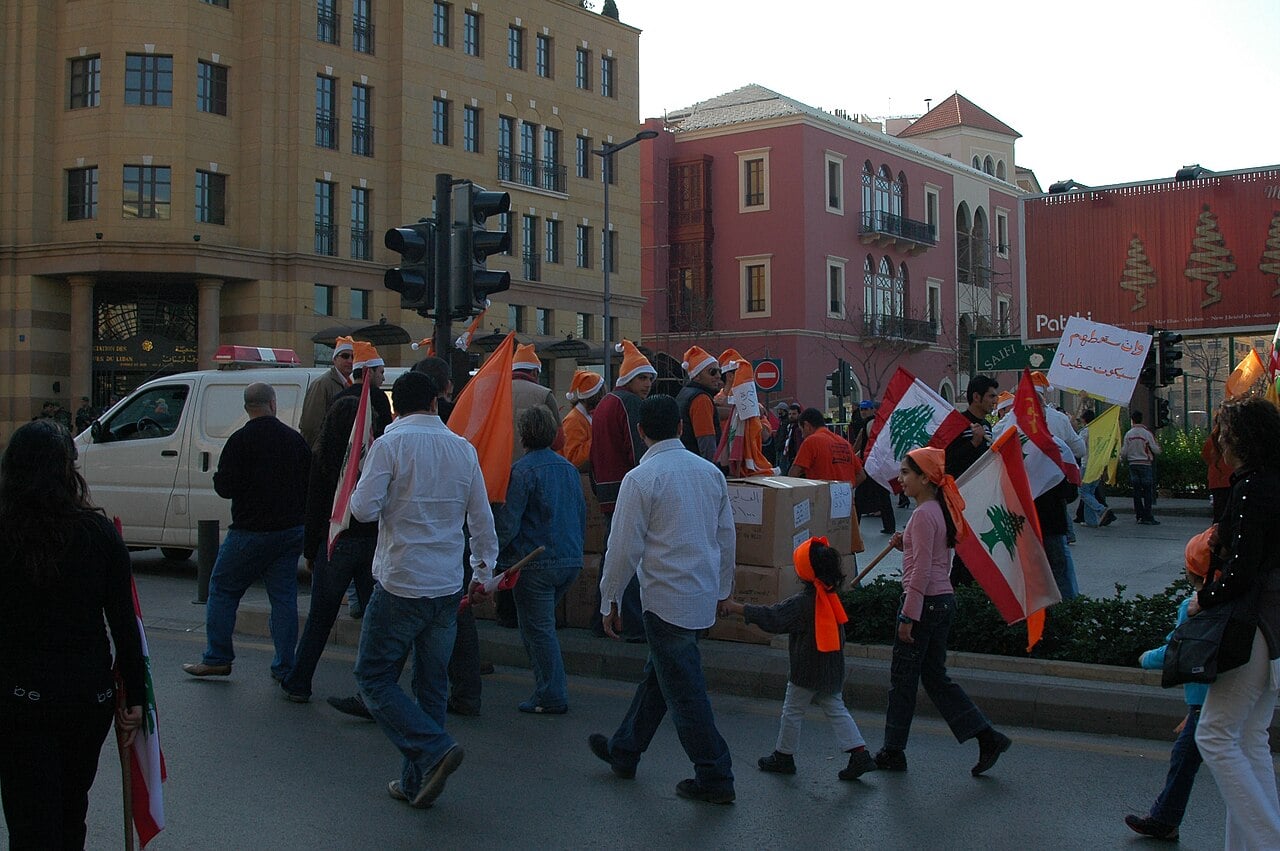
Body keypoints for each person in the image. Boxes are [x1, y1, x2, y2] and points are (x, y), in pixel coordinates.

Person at [349, 371, 499, 808]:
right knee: (431, 684)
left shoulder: (389, 445)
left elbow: (362, 509)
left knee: (374, 676)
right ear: (435, 403)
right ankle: (418, 781)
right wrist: (483, 570)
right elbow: (480, 519)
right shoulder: (462, 448)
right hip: (446, 585)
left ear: (397, 408)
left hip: (401, 581)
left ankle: (433, 750)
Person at [0, 420, 146, 849]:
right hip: (88, 697)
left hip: (20, 696)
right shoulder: (98, 534)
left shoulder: (6, 532)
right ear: (69, 471)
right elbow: (124, 623)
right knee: (70, 811)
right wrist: (135, 694)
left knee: (29, 821)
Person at [588, 394, 737, 804]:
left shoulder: (641, 478)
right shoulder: (710, 474)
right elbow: (726, 536)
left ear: (640, 432)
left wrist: (609, 600)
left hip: (665, 600)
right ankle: (625, 749)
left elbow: (622, 548)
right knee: (663, 677)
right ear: (680, 427)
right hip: (701, 595)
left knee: (684, 692)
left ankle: (715, 774)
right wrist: (723, 589)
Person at [875, 446, 1012, 775]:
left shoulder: (923, 514)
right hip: (942, 601)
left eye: (907, 473)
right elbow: (934, 556)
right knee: (934, 677)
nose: (901, 479)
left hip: (924, 603)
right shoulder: (939, 509)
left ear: (925, 478)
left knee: (903, 680)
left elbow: (921, 571)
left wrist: (909, 614)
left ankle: (893, 751)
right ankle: (986, 736)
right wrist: (905, 542)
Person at [1189, 398, 1280, 847]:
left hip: (1255, 622)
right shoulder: (1273, 482)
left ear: (1241, 439)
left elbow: (1242, 568)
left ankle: (1267, 840)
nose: (1218, 441)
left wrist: (1202, 601)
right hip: (1274, 626)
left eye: (1223, 432)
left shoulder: (1251, 488)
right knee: (1249, 738)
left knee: (1215, 735)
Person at [183, 382, 310, 680]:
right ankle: (284, 665)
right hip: (289, 530)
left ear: (246, 408)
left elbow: (225, 488)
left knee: (223, 589)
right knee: (283, 599)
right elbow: (309, 483)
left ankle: (217, 656)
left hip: (250, 531)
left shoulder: (239, 441)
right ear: (273, 404)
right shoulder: (294, 440)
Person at [722, 537, 876, 781]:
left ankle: (784, 755)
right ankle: (859, 752)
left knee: (792, 711)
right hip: (831, 667)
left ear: (804, 572)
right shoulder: (830, 596)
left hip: (806, 669)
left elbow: (772, 617)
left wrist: (738, 608)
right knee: (836, 709)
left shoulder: (802, 603)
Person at [280, 395, 377, 703]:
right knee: (374, 621)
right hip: (371, 540)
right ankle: (372, 689)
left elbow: (314, 506)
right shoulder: (375, 454)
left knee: (320, 618)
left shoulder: (322, 457)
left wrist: (309, 550)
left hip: (335, 539)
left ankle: (299, 681)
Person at [493, 406, 586, 714]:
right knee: (541, 626)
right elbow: (581, 514)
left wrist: (493, 556)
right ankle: (548, 688)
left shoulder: (522, 472)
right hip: (568, 558)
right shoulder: (568, 469)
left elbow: (509, 523)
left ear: (523, 435)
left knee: (537, 629)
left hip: (535, 561)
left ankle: (550, 692)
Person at [1125, 525, 1215, 842]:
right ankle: (1165, 818)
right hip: (1211, 700)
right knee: (1187, 759)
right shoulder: (1235, 599)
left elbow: (1176, 651)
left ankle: (1165, 820)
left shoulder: (1191, 607)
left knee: (1187, 760)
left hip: (1206, 702)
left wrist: (1145, 657)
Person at [589, 340, 656, 641]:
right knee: (630, 558)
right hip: (625, 490)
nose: (648, 384)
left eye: (650, 378)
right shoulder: (628, 404)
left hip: (606, 490)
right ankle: (632, 622)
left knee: (611, 556)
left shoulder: (605, 403)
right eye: (643, 377)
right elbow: (637, 449)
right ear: (628, 378)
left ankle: (601, 617)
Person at [788, 407, 866, 556]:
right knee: (846, 552)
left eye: (802, 430)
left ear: (807, 425)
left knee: (821, 555)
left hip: (821, 506)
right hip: (846, 506)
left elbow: (793, 475)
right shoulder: (844, 443)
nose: (802, 435)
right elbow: (862, 475)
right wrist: (845, 488)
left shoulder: (811, 442)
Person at [944, 375, 999, 585]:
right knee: (964, 553)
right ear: (976, 397)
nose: (994, 401)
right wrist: (973, 443)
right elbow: (946, 460)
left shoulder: (987, 425)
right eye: (991, 396)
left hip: (982, 498)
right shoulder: (958, 423)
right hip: (960, 499)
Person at [299, 335, 355, 450]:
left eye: (353, 357)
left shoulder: (348, 384)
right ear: (334, 359)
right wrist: (320, 454)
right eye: (345, 356)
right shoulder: (323, 384)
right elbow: (311, 425)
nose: (350, 360)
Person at [675, 345, 723, 461]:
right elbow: (706, 442)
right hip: (697, 463)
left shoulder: (685, 393)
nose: (718, 376)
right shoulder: (701, 399)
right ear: (697, 377)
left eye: (719, 371)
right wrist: (712, 469)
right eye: (712, 372)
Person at [1076, 409, 1117, 528]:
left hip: (1087, 465)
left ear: (1084, 419)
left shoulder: (1085, 431)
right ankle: (1091, 521)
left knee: (1083, 492)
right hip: (1098, 465)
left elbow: (1080, 447)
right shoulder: (1100, 430)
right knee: (1091, 492)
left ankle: (1102, 510)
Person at [1121, 409, 1162, 525]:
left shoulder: (1129, 434)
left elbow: (1124, 451)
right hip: (1145, 463)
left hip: (1133, 464)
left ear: (1132, 420)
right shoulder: (1147, 434)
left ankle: (1139, 515)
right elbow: (1156, 450)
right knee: (1148, 491)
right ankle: (1148, 515)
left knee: (1137, 492)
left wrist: (1121, 458)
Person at [560, 370, 605, 471]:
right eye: (603, 394)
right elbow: (573, 459)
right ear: (596, 395)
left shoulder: (585, 416)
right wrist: (600, 436)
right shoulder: (574, 420)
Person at [1201, 421, 1233, 523]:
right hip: (1232, 477)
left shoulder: (1213, 438)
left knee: (1219, 512)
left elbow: (1206, 455)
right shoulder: (1234, 438)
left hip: (1217, 479)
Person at [780, 403, 805, 471]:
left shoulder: (799, 428)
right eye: (790, 414)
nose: (791, 416)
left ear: (799, 414)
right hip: (787, 453)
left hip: (794, 455)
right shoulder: (789, 425)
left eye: (794, 414)